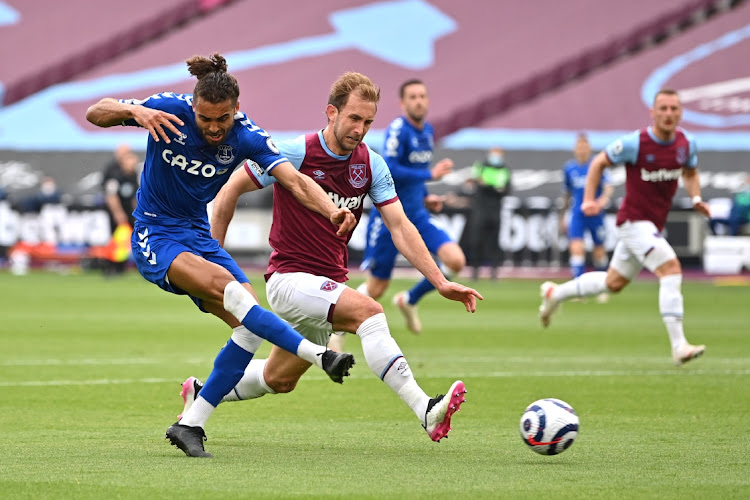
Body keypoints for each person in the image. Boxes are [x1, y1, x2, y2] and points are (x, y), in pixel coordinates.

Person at [179, 72, 482, 448]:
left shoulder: (371, 165)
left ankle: (202, 393)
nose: (360, 129)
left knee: (279, 380)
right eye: (354, 118)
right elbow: (229, 191)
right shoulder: (294, 152)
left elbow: (400, 227)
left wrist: (440, 281)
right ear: (331, 113)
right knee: (369, 312)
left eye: (368, 121)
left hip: (327, 287)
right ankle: (426, 410)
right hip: (289, 280)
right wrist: (214, 260)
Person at [85, 53, 358, 458]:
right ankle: (321, 355)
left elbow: (296, 181)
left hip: (197, 233)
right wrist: (134, 112)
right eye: (205, 119)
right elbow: (94, 112)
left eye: (223, 119)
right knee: (234, 294)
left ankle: (190, 423)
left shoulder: (246, 136)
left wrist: (330, 208)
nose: (214, 128)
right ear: (193, 106)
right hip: (155, 233)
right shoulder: (167, 110)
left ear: (237, 110)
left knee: (247, 326)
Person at [538, 89, 710, 366]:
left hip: (651, 225)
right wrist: (590, 200)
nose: (668, 114)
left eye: (673, 109)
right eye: (663, 109)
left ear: (680, 113)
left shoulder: (686, 145)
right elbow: (599, 162)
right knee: (670, 269)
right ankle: (679, 345)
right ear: (652, 113)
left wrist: (697, 198)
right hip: (632, 222)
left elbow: (690, 172)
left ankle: (555, 294)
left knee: (613, 283)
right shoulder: (636, 143)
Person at [357, 79, 466, 334]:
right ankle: (336, 328)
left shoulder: (427, 131)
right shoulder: (398, 130)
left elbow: (414, 172)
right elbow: (390, 169)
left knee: (456, 260)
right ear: (403, 103)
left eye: (422, 96)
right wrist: (430, 175)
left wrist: (426, 196)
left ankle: (409, 299)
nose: (418, 101)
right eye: (413, 97)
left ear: (427, 100)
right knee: (377, 287)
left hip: (416, 213)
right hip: (390, 215)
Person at [560, 133, 614, 302]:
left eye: (584, 146)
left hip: (595, 214)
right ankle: (578, 289)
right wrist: (563, 215)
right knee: (576, 249)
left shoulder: (597, 165)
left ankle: (602, 288)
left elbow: (608, 186)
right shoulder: (569, 168)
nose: (582, 150)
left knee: (599, 252)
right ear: (575, 149)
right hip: (577, 213)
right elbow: (567, 193)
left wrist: (602, 200)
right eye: (579, 146)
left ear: (589, 148)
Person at [466, 146, 511, 280]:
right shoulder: (481, 167)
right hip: (480, 210)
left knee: (494, 242)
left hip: (495, 211)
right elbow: (476, 183)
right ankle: (475, 272)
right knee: (476, 241)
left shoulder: (505, 170)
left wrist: (488, 185)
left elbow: (505, 189)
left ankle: (494, 272)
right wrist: (494, 187)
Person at [100, 144, 139, 275]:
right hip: (117, 212)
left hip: (130, 212)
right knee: (116, 240)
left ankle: (123, 267)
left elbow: (134, 195)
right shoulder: (115, 174)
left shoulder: (133, 175)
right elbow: (111, 196)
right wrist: (118, 213)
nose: (133, 164)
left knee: (132, 239)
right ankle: (110, 268)